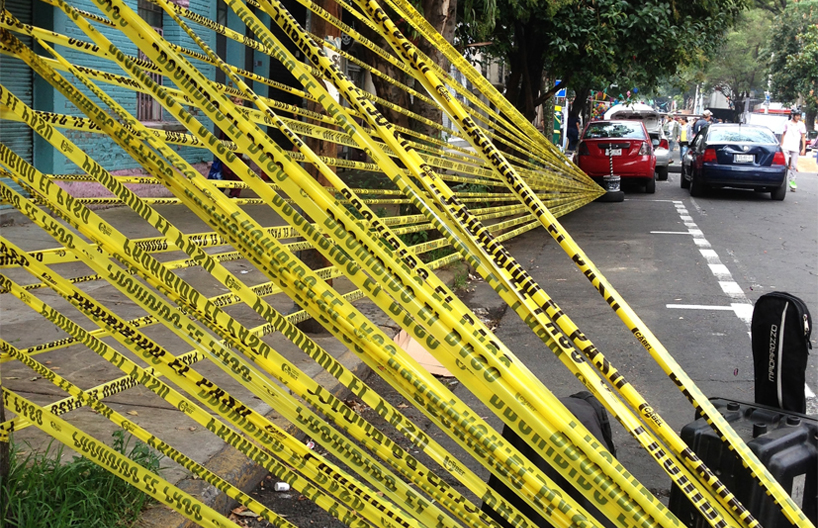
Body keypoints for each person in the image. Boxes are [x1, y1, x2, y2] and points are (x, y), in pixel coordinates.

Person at [780, 110, 807, 191]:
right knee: (785, 164)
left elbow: (803, 137)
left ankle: (792, 181)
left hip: (795, 147)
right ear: (793, 115)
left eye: (799, 116)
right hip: (786, 146)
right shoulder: (787, 123)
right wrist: (782, 144)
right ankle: (782, 181)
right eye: (797, 115)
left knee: (794, 166)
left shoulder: (801, 125)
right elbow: (783, 134)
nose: (798, 117)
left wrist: (803, 148)